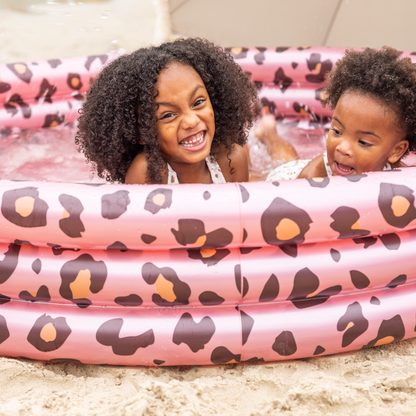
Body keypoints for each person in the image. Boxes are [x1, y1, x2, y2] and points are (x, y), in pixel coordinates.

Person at [75, 38, 260, 184]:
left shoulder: (232, 160)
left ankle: (270, 137)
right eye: (168, 115)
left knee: (280, 166)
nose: (191, 121)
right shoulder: (147, 173)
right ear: (141, 133)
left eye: (198, 102)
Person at [257, 46, 416, 181]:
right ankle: (269, 134)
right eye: (337, 131)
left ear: (396, 151)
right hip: (285, 179)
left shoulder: (399, 175)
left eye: (363, 142)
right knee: (261, 174)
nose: (343, 148)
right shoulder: (310, 179)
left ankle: (269, 132)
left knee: (287, 158)